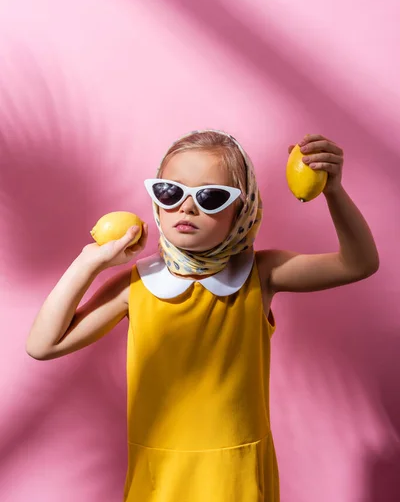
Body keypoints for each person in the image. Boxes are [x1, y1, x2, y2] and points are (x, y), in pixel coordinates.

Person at [26, 129, 379, 501]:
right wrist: (90, 262)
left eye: (211, 197)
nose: (187, 207)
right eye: (170, 191)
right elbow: (43, 345)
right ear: (157, 203)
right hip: (159, 478)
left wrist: (333, 190)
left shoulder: (260, 274)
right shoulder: (138, 285)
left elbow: (358, 263)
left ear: (241, 210)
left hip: (236, 477)